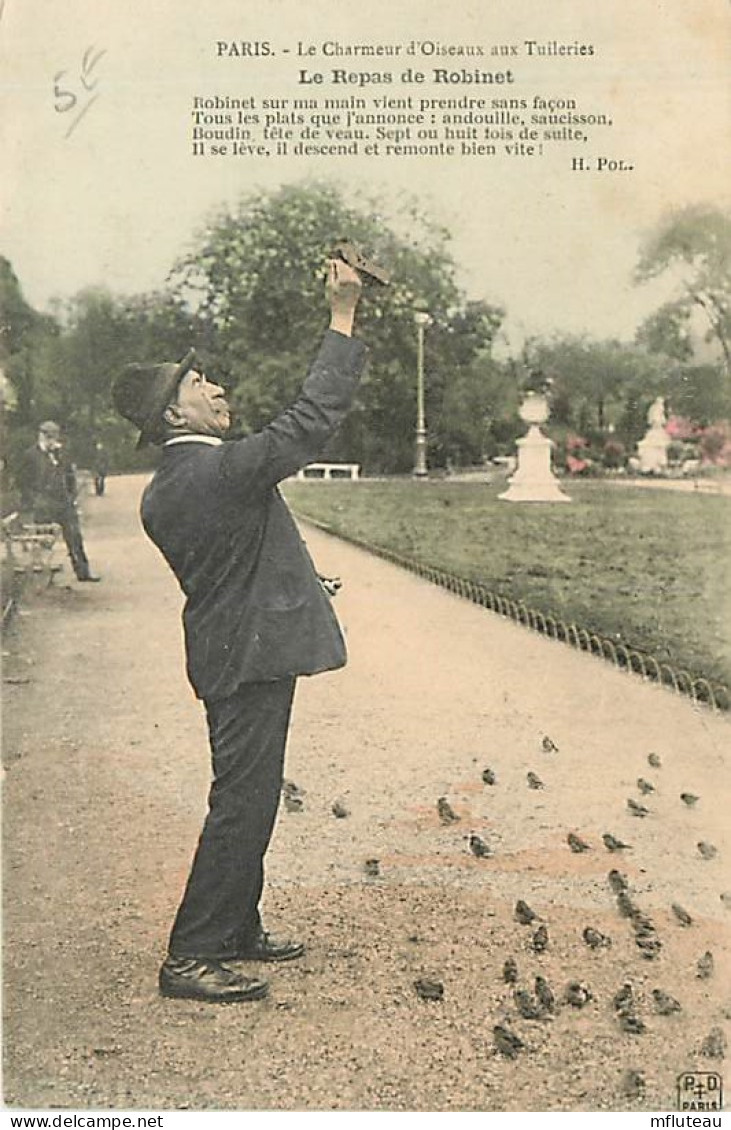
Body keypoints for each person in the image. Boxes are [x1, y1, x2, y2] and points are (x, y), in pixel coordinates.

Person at [111, 258, 365, 1003]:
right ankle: (190, 953)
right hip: (247, 656)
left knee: (250, 793)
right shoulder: (212, 472)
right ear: (171, 417)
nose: (218, 388)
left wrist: (295, 580)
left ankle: (236, 927)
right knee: (242, 801)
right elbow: (309, 421)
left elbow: (231, 557)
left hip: (236, 646)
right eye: (199, 385)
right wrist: (341, 316)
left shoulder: (178, 483)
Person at [19, 420, 100, 582]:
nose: (52, 441)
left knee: (75, 537)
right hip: (43, 504)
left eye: (54, 436)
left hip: (63, 503)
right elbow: (23, 481)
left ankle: (83, 572)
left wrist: (71, 497)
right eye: (48, 437)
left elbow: (69, 476)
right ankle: (42, 576)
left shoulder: (61, 454)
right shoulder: (30, 455)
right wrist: (33, 500)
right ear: (40, 436)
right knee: (43, 541)